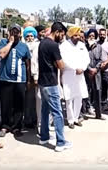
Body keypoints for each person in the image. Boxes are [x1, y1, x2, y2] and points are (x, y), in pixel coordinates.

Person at [38, 22, 72, 152]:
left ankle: (44, 136)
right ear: (57, 32)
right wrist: (58, 62)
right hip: (51, 83)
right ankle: (61, 142)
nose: (62, 37)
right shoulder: (53, 45)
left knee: (45, 110)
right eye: (62, 34)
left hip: (42, 82)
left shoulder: (42, 43)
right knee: (57, 113)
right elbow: (61, 65)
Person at [0, 24, 31, 137]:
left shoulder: (24, 46)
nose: (15, 34)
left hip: (19, 80)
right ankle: (5, 126)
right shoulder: (3, 43)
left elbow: (27, 64)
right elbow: (2, 55)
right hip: (5, 80)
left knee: (19, 105)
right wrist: (10, 43)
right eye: (12, 31)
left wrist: (28, 80)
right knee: (5, 105)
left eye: (17, 31)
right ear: (9, 32)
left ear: (20, 33)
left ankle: (17, 127)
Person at [60, 26, 89, 128]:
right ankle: (70, 120)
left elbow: (87, 58)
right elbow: (64, 60)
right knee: (69, 98)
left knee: (79, 97)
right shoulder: (64, 45)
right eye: (75, 35)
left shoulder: (82, 45)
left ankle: (76, 118)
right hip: (69, 74)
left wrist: (83, 68)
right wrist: (74, 68)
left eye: (78, 35)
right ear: (71, 36)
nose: (77, 37)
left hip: (80, 75)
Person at [85, 30, 106, 120]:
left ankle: (98, 114)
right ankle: (85, 111)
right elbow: (83, 60)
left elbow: (101, 60)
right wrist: (90, 69)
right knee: (86, 92)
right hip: (87, 73)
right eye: (90, 35)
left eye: (93, 36)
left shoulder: (99, 47)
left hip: (96, 73)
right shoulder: (84, 47)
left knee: (98, 92)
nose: (91, 37)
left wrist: (95, 69)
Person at [23, 26, 38, 128]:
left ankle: (35, 119)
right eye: (27, 36)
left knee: (35, 100)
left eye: (31, 36)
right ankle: (27, 120)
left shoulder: (38, 46)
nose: (29, 38)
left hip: (36, 77)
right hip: (25, 76)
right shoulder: (23, 46)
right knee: (27, 100)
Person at [31, 25, 46, 131]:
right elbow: (34, 61)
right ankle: (40, 124)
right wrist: (35, 76)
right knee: (40, 101)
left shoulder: (47, 43)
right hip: (40, 77)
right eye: (41, 32)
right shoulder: (36, 45)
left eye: (44, 31)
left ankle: (47, 124)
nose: (43, 33)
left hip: (50, 77)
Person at [97, 28, 108, 107]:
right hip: (97, 69)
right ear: (98, 35)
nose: (102, 36)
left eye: (103, 34)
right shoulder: (96, 44)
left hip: (106, 69)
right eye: (100, 34)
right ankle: (97, 101)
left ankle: (103, 101)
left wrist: (105, 63)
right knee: (97, 86)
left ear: (105, 35)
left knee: (105, 85)